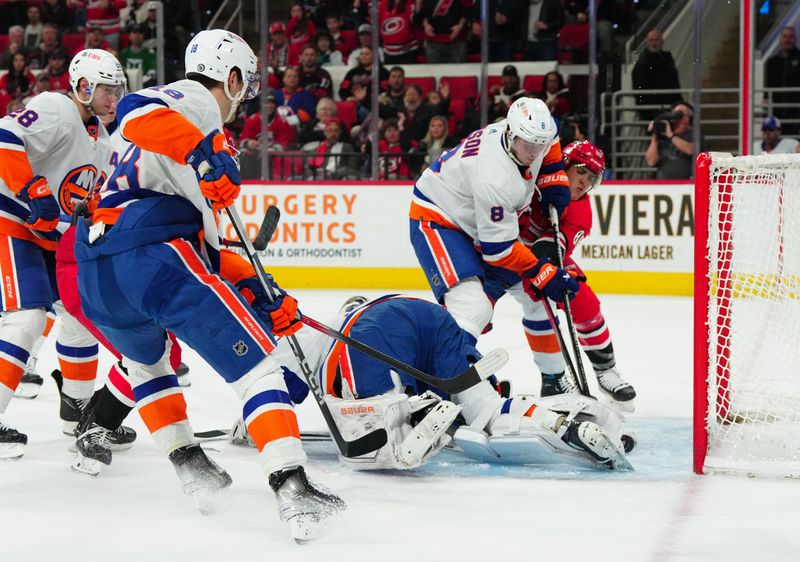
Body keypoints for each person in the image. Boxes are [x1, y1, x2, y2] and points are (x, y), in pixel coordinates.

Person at [73, 29, 345, 541]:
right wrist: (202, 152)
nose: (244, 97)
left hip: (99, 268)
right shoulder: (196, 102)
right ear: (234, 76)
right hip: (151, 255)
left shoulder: (181, 139)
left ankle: (193, 471)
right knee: (260, 366)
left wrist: (266, 293)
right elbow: (133, 106)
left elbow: (214, 257)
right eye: (245, 84)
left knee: (147, 366)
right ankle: (292, 486)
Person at [231, 295, 632, 471]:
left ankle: (407, 412)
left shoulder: (337, 327)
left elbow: (277, 383)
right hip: (436, 319)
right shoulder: (382, 307)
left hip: (377, 331)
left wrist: (252, 423)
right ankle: (566, 421)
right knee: (487, 409)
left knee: (372, 420)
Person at [0, 48, 126, 460]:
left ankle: (78, 415)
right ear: (84, 87)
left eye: (118, 90)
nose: (114, 98)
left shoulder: (104, 140)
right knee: (28, 318)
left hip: (51, 240)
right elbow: (3, 137)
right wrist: (31, 187)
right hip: (10, 222)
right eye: (107, 89)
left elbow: (88, 202)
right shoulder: (56, 107)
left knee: (78, 315)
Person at [409, 97, 579, 398]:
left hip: (480, 222)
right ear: (511, 134)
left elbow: (550, 136)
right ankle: (440, 388)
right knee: (473, 307)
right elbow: (498, 251)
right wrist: (542, 271)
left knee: (537, 299)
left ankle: (554, 382)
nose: (535, 153)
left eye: (539, 146)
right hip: (440, 218)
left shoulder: (531, 132)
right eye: (530, 146)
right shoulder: (494, 178)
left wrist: (552, 172)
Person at [519, 140, 637, 409]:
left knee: (581, 298)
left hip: (532, 258)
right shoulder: (534, 175)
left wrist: (544, 268)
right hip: (499, 249)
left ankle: (602, 370)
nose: (585, 182)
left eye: (592, 178)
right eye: (582, 172)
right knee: (475, 307)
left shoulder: (581, 211)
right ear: (566, 165)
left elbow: (548, 250)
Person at [631, 30, 682, 121]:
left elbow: (674, 84)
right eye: (651, 40)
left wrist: (679, 104)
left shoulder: (667, 60)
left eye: (656, 40)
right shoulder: (642, 64)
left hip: (669, 106)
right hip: (652, 111)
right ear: (647, 42)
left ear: (662, 41)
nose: (654, 43)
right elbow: (640, 92)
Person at [644, 101, 698, 179]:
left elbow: (690, 150)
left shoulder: (694, 135)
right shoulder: (663, 136)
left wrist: (670, 135)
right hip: (665, 186)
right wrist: (654, 134)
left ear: (689, 118)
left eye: (680, 114)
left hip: (687, 185)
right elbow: (651, 161)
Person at [764, 27, 800, 136]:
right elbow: (768, 83)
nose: (787, 39)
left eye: (791, 37)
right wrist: (766, 97)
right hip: (777, 109)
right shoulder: (772, 62)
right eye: (784, 37)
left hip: (796, 109)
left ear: (795, 39)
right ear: (780, 39)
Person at [120, 24, 157, 88]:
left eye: (140, 33)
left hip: (144, 86)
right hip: (127, 85)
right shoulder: (124, 53)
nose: (137, 35)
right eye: (134, 32)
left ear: (144, 36)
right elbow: (121, 70)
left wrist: (140, 80)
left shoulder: (149, 53)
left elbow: (152, 71)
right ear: (130, 35)